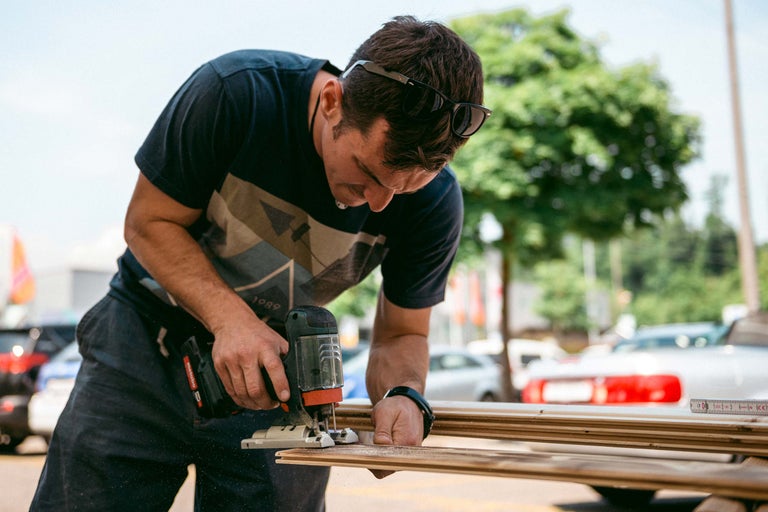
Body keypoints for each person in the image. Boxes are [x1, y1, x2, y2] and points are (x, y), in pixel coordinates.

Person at [31, 15, 490, 512]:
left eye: (404, 188)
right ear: (333, 101)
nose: (378, 205)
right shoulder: (235, 95)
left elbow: (403, 334)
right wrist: (231, 321)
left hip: (278, 377)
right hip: (143, 346)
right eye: (365, 173)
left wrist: (403, 393)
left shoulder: (436, 203)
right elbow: (148, 223)